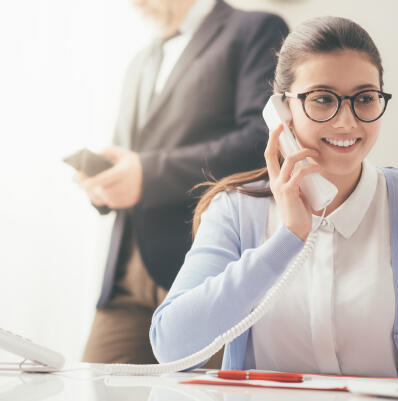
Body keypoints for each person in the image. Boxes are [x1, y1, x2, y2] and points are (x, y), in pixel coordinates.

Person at [149, 16, 398, 384]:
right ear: (282, 110)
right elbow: (171, 346)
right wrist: (288, 238)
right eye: (322, 99)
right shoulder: (235, 210)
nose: (346, 121)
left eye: (365, 99)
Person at [75, 0, 288, 365]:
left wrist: (148, 174)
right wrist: (105, 182)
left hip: (203, 265)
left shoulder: (255, 30)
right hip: (126, 273)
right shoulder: (141, 59)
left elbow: (263, 138)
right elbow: (130, 155)